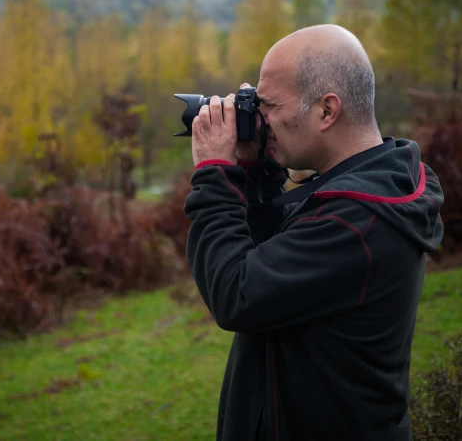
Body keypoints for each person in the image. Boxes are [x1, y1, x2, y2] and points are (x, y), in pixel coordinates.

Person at [184, 24, 444, 441]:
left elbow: (237, 293)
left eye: (267, 106)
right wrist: (254, 173)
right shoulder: (356, 188)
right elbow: (273, 255)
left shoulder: (357, 221)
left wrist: (214, 175)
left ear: (327, 110)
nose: (259, 120)